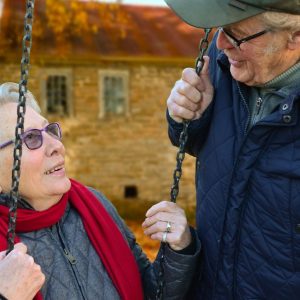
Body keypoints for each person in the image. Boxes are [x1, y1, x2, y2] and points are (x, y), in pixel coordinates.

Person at [0, 82, 200, 299]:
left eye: (49, 130)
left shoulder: (94, 204)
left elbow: (150, 293)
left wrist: (178, 250)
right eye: (30, 138)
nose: (56, 145)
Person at [165, 0, 300, 299]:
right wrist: (186, 117)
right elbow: (209, 145)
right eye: (220, 29)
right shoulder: (225, 60)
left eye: (236, 33)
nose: (221, 43)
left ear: (295, 36)